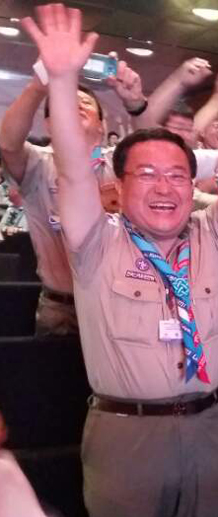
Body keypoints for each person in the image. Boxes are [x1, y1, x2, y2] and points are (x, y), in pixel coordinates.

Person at [21, 3, 218, 517]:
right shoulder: (94, 242)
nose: (164, 186)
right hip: (128, 436)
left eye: (176, 176)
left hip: (210, 427)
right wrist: (59, 79)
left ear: (191, 186)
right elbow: (74, 173)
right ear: (118, 189)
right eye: (146, 174)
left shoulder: (213, 235)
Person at [0, 52, 133, 335]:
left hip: (116, 303)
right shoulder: (39, 163)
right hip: (60, 308)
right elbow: (7, 144)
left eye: (85, 103)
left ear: (102, 124)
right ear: (49, 124)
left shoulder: (119, 164)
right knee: (53, 378)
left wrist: (135, 102)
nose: (77, 105)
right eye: (66, 104)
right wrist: (39, 84)